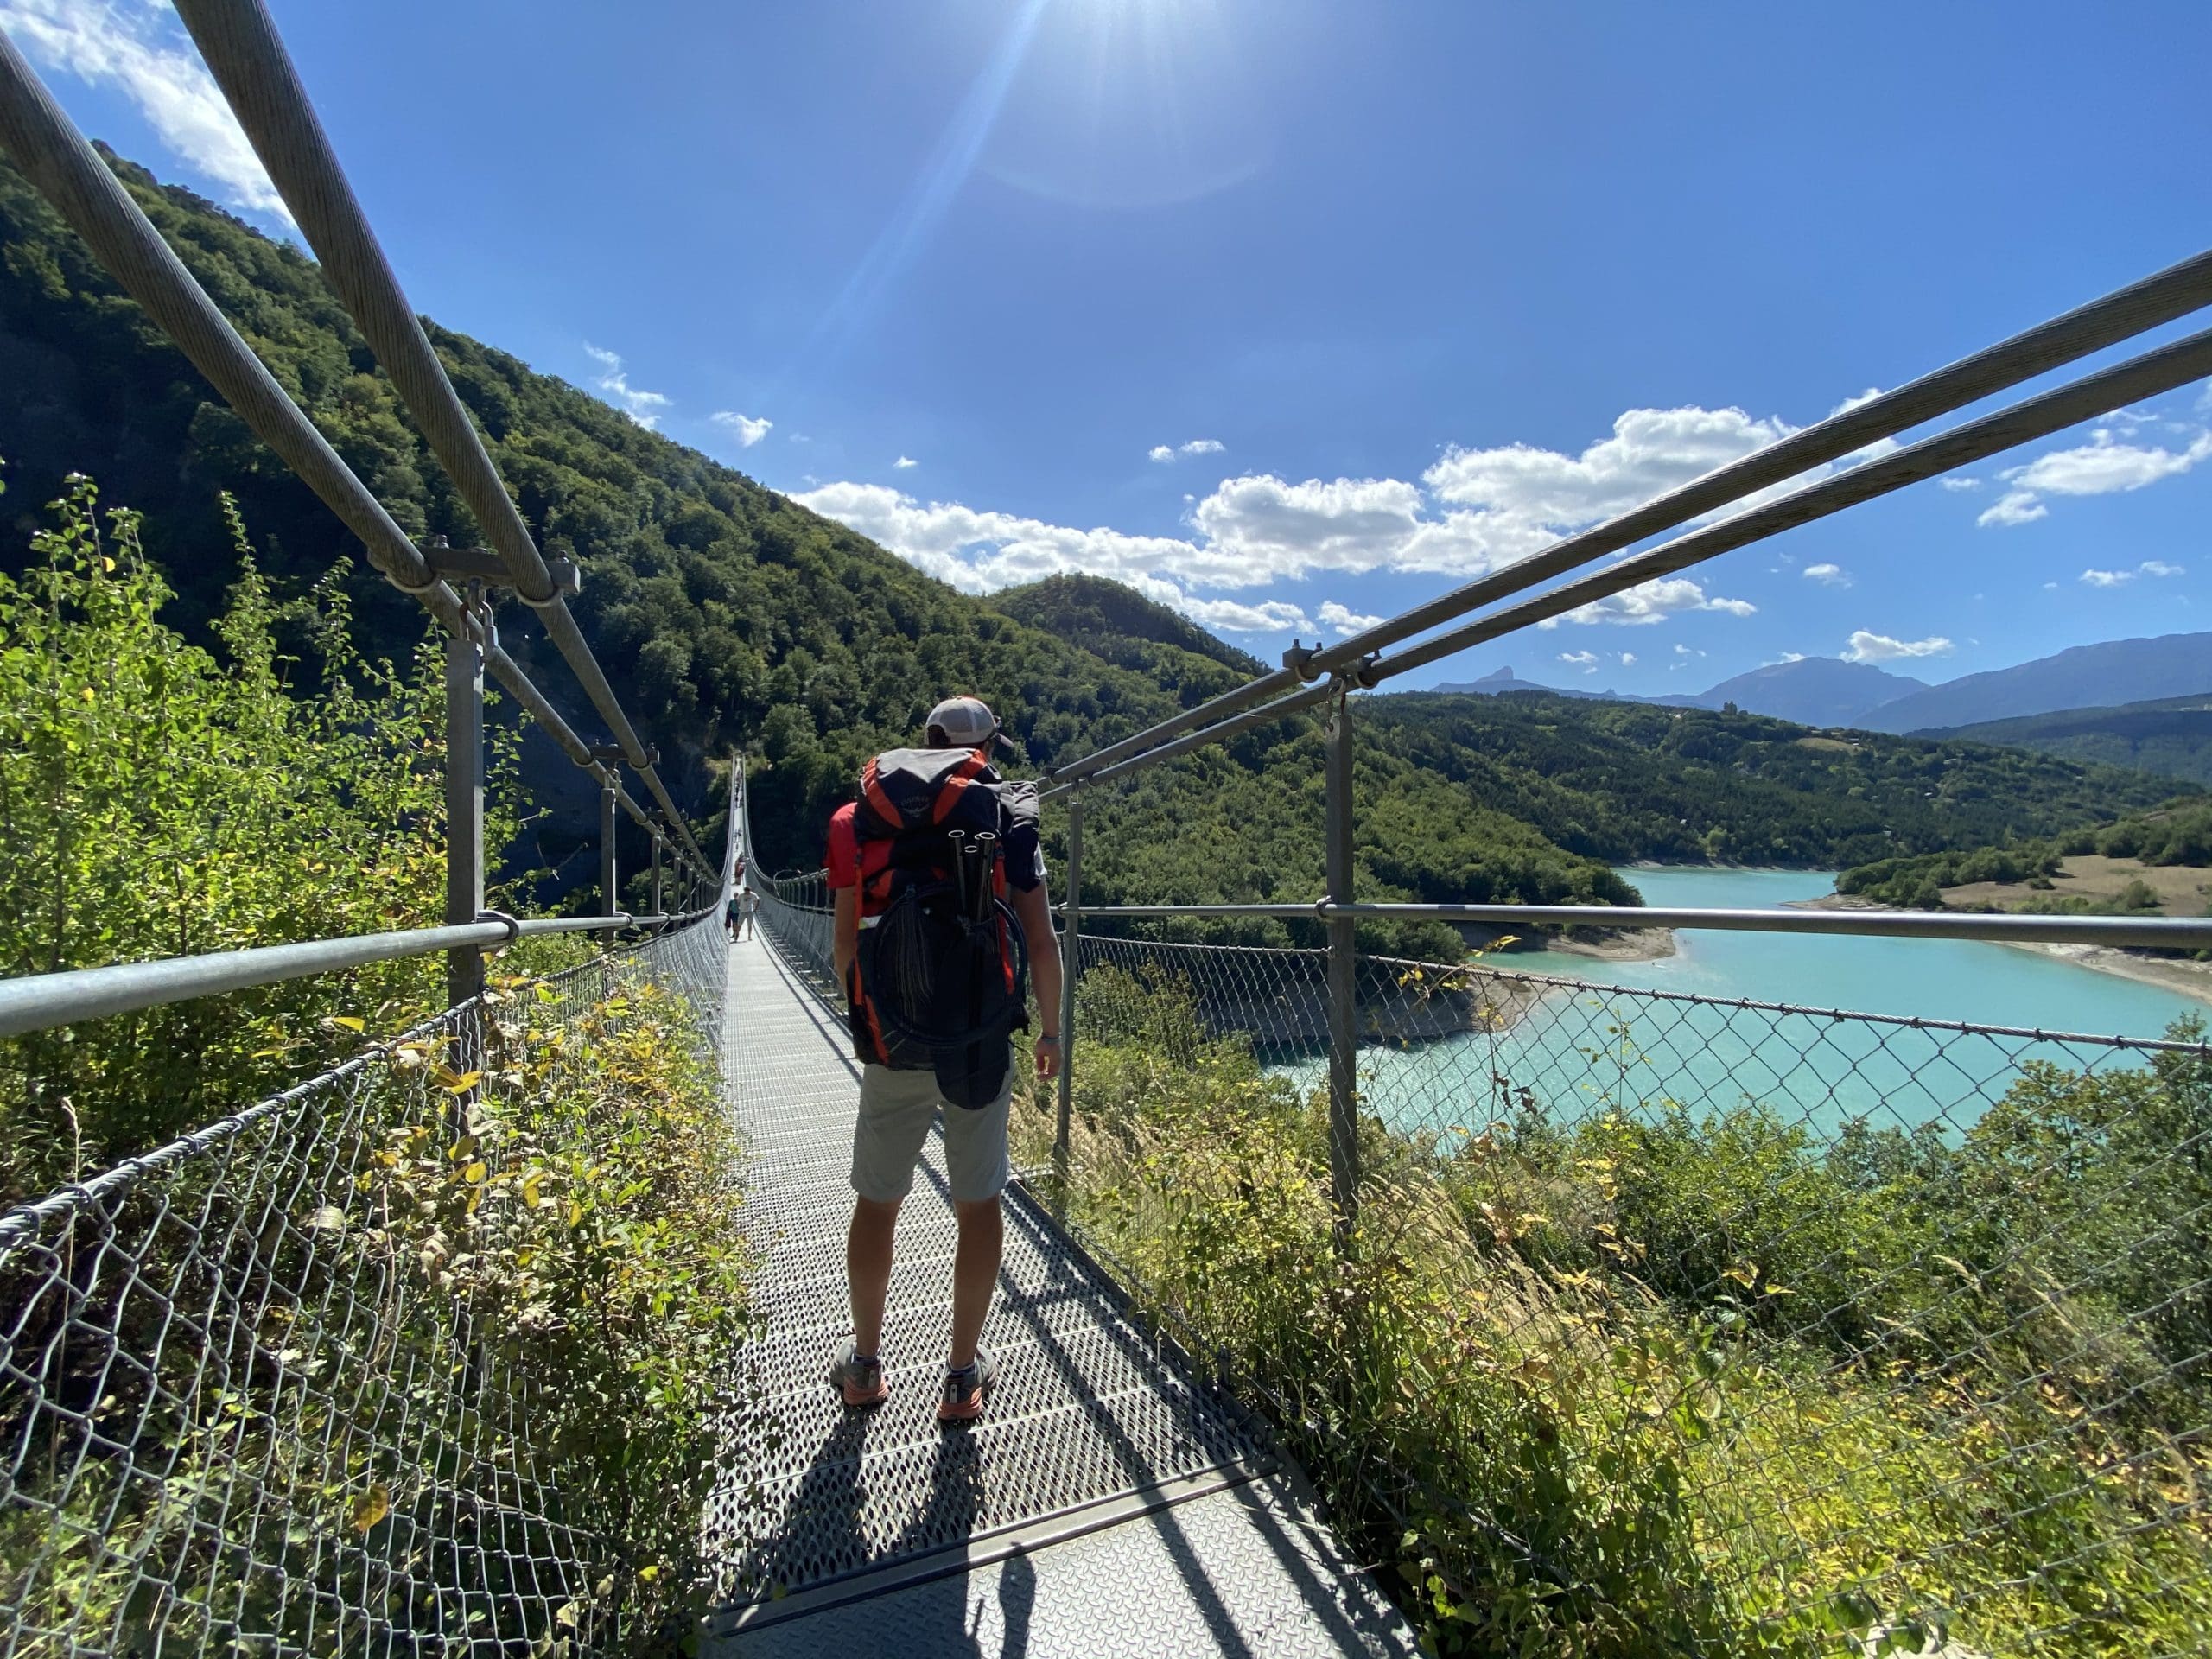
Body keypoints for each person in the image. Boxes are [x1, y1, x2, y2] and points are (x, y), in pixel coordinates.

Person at [825, 696, 1062, 1424]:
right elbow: (1042, 941)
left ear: (925, 740)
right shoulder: (1008, 814)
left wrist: (871, 1017)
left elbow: (843, 945)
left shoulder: (854, 819)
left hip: (894, 1031)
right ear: (985, 748)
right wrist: (1052, 1032)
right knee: (978, 1199)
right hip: (979, 1035)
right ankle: (961, 1376)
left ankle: (865, 1365)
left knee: (878, 1198)